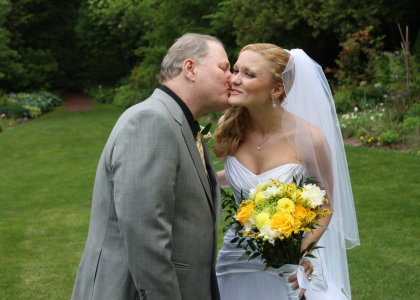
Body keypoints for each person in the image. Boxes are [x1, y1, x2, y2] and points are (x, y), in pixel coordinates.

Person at [71, 33, 231, 300]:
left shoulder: (179, 122)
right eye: (223, 68)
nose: (232, 77)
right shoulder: (151, 121)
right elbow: (145, 235)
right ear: (190, 68)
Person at [214, 44, 360, 299]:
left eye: (248, 74)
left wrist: (299, 253)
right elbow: (246, 180)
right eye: (236, 70)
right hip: (234, 260)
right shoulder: (233, 127)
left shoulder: (309, 139)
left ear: (276, 89)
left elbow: (325, 204)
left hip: (286, 265)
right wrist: (202, 178)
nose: (234, 79)